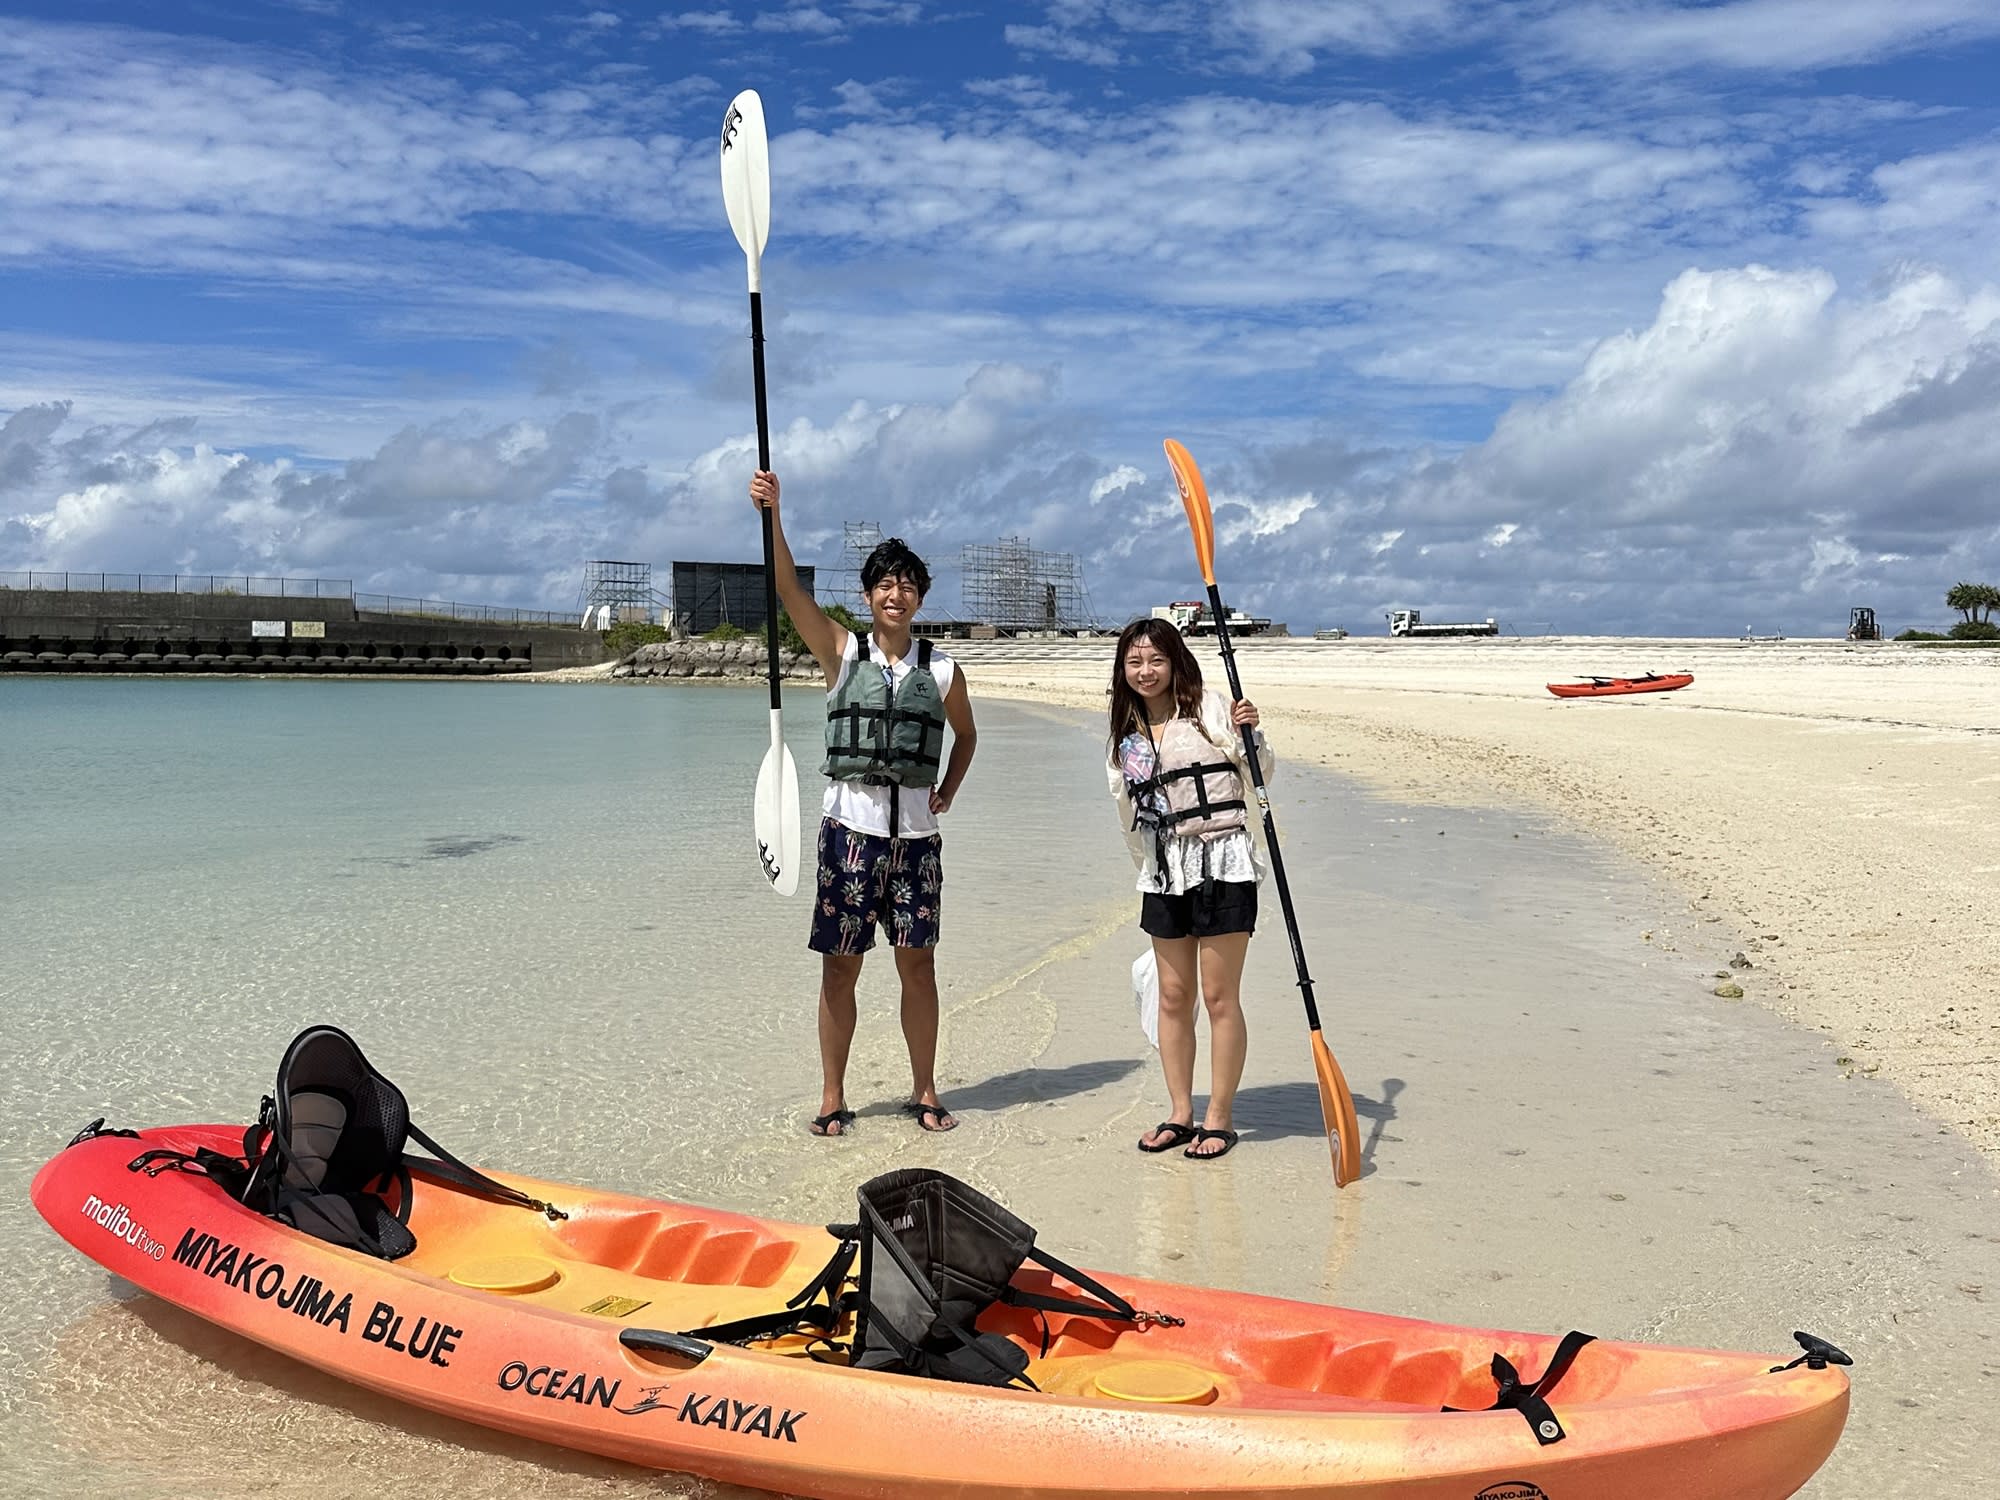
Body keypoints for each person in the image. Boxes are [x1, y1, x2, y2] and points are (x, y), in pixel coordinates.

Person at [750, 469, 977, 1137]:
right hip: (849, 832)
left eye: (906, 585)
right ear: (869, 595)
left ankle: (926, 1091)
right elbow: (787, 589)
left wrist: (949, 790)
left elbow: (966, 736)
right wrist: (773, 516)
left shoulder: (941, 670)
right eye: (885, 584)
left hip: (916, 839)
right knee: (840, 968)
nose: (895, 594)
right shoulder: (841, 652)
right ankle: (831, 1095)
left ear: (920, 596)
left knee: (919, 966)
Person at [1106, 617, 1272, 1161]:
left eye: (1156, 660)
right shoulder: (1124, 739)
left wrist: (1253, 734)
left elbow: (1260, 773)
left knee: (1220, 997)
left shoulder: (1209, 709)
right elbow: (1127, 815)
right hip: (1163, 871)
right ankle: (1181, 1111)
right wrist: (1148, 872)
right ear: (1123, 670)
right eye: (1135, 662)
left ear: (1175, 663)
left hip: (1223, 863)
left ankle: (1219, 1117)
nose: (1146, 671)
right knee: (1174, 997)